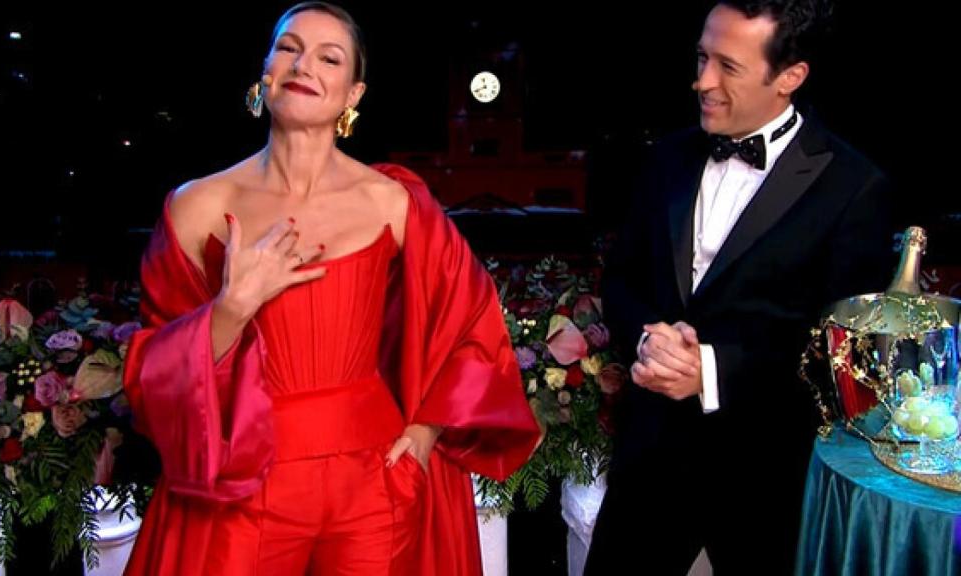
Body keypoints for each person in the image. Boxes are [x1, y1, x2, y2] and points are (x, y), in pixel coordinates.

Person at [121, 3, 540, 575]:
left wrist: (422, 433)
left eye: (329, 57)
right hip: (241, 484)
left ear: (352, 94)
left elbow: (470, 324)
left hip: (373, 483)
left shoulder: (393, 203)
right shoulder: (196, 207)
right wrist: (232, 309)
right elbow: (151, 379)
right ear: (265, 69)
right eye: (289, 48)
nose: (304, 64)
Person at [585, 1, 893, 574]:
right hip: (650, 458)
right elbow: (624, 277)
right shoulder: (666, 159)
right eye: (702, 58)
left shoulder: (854, 187)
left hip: (766, 474)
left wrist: (712, 370)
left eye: (728, 66)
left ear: (790, 78)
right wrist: (647, 344)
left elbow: (839, 350)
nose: (701, 80)